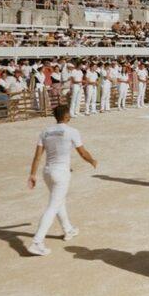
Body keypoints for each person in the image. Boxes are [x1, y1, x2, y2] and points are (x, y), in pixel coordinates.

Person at [27, 105, 98, 256]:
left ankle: (68, 229)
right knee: (53, 206)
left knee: (59, 201)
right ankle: (37, 242)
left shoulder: (45, 131)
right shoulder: (72, 131)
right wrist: (92, 161)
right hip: (61, 173)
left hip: (48, 172)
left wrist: (32, 174)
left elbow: (37, 156)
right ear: (67, 116)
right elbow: (83, 153)